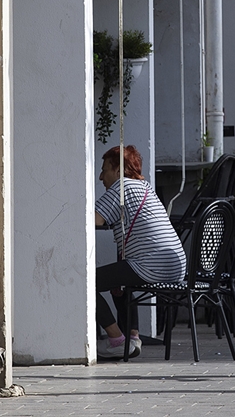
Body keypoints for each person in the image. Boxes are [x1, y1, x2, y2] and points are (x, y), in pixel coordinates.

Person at [94, 145, 186, 359]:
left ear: (119, 171)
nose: (100, 176)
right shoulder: (144, 187)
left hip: (152, 264)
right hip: (175, 266)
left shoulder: (121, 187)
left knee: (86, 284)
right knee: (118, 281)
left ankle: (116, 341)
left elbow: (94, 219)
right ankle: (132, 338)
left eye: (104, 169)